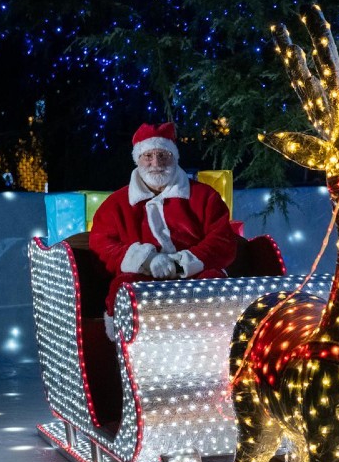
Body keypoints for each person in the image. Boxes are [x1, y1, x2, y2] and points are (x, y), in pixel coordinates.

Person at [89, 122, 237, 338]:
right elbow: (101, 243)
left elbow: (223, 239)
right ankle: (129, 347)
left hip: (194, 277)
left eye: (163, 155)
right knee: (125, 288)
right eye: (148, 156)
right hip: (143, 278)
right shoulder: (116, 204)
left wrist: (182, 263)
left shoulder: (205, 196)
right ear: (137, 159)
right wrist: (146, 260)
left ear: (174, 157)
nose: (156, 163)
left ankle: (216, 344)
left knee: (214, 284)